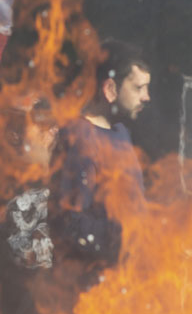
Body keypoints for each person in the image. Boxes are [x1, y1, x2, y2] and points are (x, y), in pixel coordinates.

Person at [49, 39, 151, 288]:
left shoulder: (120, 131)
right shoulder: (80, 138)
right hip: (94, 288)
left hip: (128, 278)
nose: (147, 97)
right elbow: (71, 223)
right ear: (110, 90)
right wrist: (119, 239)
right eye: (138, 88)